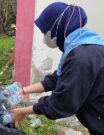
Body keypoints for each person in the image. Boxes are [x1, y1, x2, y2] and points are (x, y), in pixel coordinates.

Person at [10, 2, 104, 135]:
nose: (44, 38)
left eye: (45, 32)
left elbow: (60, 104)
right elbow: (56, 79)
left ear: (57, 27)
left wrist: (21, 112)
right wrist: (22, 90)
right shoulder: (79, 46)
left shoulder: (81, 57)